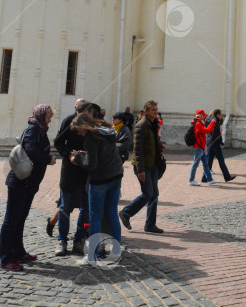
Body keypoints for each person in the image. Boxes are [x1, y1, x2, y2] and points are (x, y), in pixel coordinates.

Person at [0, 104, 56, 271]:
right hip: (19, 182)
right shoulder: (33, 129)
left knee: (20, 218)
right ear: (40, 117)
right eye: (48, 117)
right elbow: (31, 150)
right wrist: (48, 159)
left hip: (29, 183)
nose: (50, 121)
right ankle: (5, 258)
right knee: (11, 220)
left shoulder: (40, 130)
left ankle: (18, 252)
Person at [70, 112, 123, 266]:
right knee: (112, 214)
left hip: (100, 180)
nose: (78, 133)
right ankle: (116, 253)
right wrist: (86, 155)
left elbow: (91, 165)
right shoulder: (105, 131)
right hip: (116, 175)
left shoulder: (90, 139)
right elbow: (101, 155)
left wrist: (77, 158)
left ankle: (92, 255)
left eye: (78, 130)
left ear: (83, 126)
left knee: (95, 217)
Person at [119, 100, 166, 233]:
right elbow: (137, 150)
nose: (156, 112)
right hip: (144, 165)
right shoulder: (141, 126)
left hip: (153, 164)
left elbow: (153, 142)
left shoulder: (154, 124)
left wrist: (160, 146)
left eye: (156, 109)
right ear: (146, 111)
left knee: (154, 194)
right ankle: (125, 213)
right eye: (153, 110)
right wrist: (141, 170)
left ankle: (150, 224)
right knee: (147, 193)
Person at [54, 99, 92, 257]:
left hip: (85, 171)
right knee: (65, 208)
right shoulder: (68, 121)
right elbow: (58, 143)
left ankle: (79, 239)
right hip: (70, 170)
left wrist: (86, 154)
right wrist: (70, 153)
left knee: (86, 209)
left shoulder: (92, 125)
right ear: (78, 112)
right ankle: (61, 240)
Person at [201, 109, 236, 182]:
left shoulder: (209, 119)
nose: (222, 115)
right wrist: (221, 141)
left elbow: (218, 122)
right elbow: (216, 134)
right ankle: (227, 177)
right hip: (215, 144)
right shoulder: (215, 122)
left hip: (209, 142)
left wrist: (212, 114)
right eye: (221, 114)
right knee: (221, 160)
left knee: (209, 161)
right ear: (217, 115)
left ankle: (204, 177)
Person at [188, 110, 220, 186]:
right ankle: (191, 180)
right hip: (198, 147)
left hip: (200, 147)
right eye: (203, 115)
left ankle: (210, 179)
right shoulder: (198, 124)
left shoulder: (199, 123)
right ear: (199, 115)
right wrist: (212, 123)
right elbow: (207, 130)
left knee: (205, 164)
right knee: (195, 164)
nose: (204, 116)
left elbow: (206, 130)